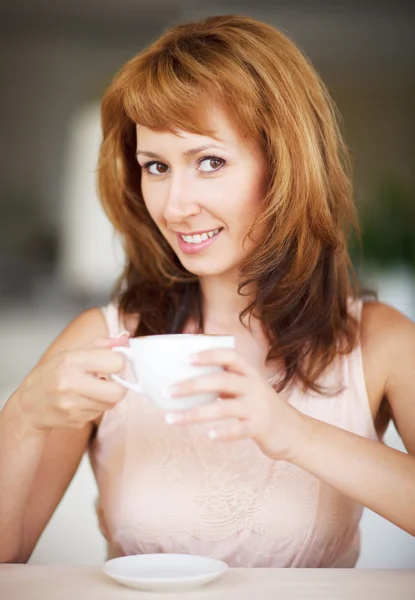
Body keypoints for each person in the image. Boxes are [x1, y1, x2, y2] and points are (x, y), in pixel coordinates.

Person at [0, 14, 414, 568]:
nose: (174, 206)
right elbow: (10, 552)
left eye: (210, 162)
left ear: (285, 164)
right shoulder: (104, 339)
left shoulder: (378, 341)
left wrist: (292, 433)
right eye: (156, 166)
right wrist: (23, 414)